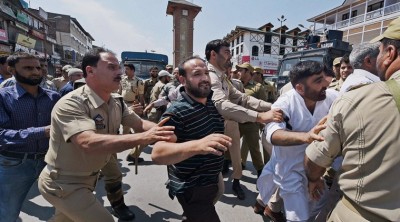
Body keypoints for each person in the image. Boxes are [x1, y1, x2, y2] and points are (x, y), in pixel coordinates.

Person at [37, 47, 176, 221]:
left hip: (88, 179)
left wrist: (163, 131)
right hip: (64, 183)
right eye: (112, 67)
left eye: (119, 67)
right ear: (90, 70)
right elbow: (88, 143)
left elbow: (139, 123)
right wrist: (146, 137)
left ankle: (118, 204)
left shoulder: (116, 102)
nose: (119, 72)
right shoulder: (72, 103)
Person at [304, 17, 400, 222]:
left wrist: (313, 178)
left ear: (390, 53)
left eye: (380, 51)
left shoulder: (357, 99)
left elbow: (316, 159)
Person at [152, 56, 232, 222]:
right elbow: (158, 153)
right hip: (193, 186)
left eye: (206, 73)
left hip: (212, 179)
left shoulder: (210, 102)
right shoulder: (177, 112)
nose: (204, 78)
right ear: (182, 79)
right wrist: (198, 145)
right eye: (196, 74)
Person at [257, 61, 338, 222]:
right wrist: (306, 136)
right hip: (290, 171)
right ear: (300, 88)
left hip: (316, 168)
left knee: (321, 207)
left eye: (323, 79)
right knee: (298, 218)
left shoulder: (331, 97)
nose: (324, 84)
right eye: (317, 81)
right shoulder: (285, 103)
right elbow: (273, 135)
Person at [206, 39, 283, 200]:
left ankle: (236, 182)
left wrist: (270, 107)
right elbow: (221, 104)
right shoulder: (210, 76)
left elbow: (242, 98)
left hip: (230, 122)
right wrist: (260, 116)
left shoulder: (222, 77)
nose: (230, 57)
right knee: (211, 170)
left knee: (236, 155)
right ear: (213, 55)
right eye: (227, 53)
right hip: (212, 127)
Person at [0, 52, 60, 221]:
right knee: (7, 212)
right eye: (28, 68)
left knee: (65, 206)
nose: (35, 72)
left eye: (38, 67)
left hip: (49, 161)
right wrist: (42, 131)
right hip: (14, 163)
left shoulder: (53, 97)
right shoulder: (3, 97)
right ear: (12, 70)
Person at [236, 63, 266, 177]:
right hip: (237, 122)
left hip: (251, 124)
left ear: (248, 72)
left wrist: (261, 123)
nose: (238, 72)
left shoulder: (258, 87)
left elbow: (263, 106)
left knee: (255, 151)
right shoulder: (235, 85)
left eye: (241, 70)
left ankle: (260, 173)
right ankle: (231, 169)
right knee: (229, 147)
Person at [118, 63, 146, 163]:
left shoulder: (139, 81)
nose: (125, 71)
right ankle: (127, 143)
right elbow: (119, 92)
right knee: (125, 126)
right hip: (123, 103)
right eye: (125, 69)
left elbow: (141, 96)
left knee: (131, 126)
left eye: (127, 69)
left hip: (133, 104)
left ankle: (130, 147)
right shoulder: (122, 79)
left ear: (133, 71)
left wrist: (142, 108)